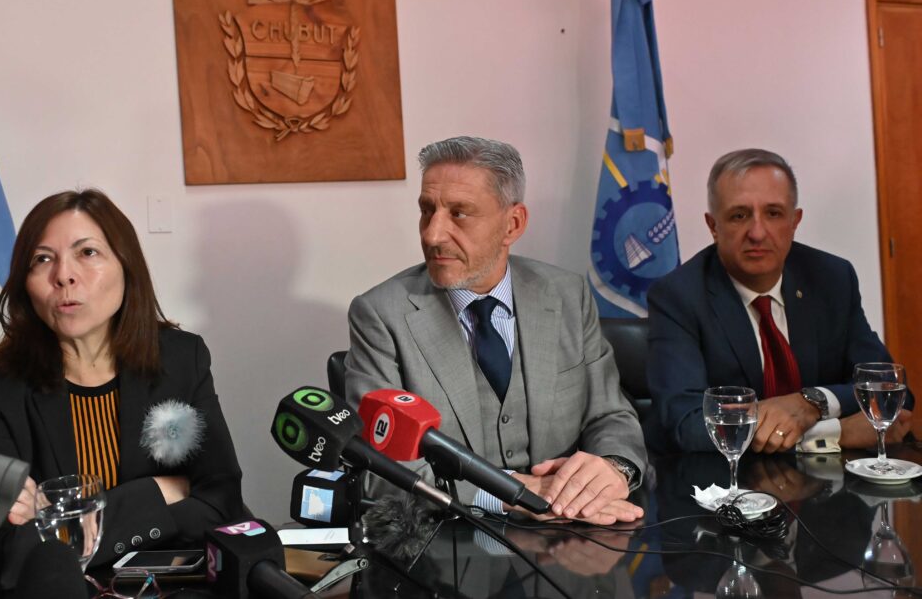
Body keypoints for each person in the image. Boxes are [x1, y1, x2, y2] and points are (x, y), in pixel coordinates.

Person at [345, 136, 647, 525]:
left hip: (573, 527)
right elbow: (379, 467)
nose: (432, 235)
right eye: (427, 210)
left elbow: (611, 414)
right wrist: (509, 493)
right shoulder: (380, 314)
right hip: (451, 539)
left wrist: (613, 469)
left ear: (512, 224)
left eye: (459, 213)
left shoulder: (568, 295)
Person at [0, 189, 243, 589]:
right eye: (43, 259)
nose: (64, 275)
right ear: (25, 283)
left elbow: (222, 503)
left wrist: (62, 515)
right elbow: (4, 550)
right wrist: (162, 490)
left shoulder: (182, 359)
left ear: (126, 266)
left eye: (87, 252)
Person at [647, 148, 913, 453]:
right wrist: (833, 433)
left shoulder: (832, 279)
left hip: (822, 479)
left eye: (773, 213)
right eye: (739, 216)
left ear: (794, 220)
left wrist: (809, 403)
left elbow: (892, 392)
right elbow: (687, 425)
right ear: (713, 226)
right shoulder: (678, 296)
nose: (757, 233)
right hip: (720, 478)